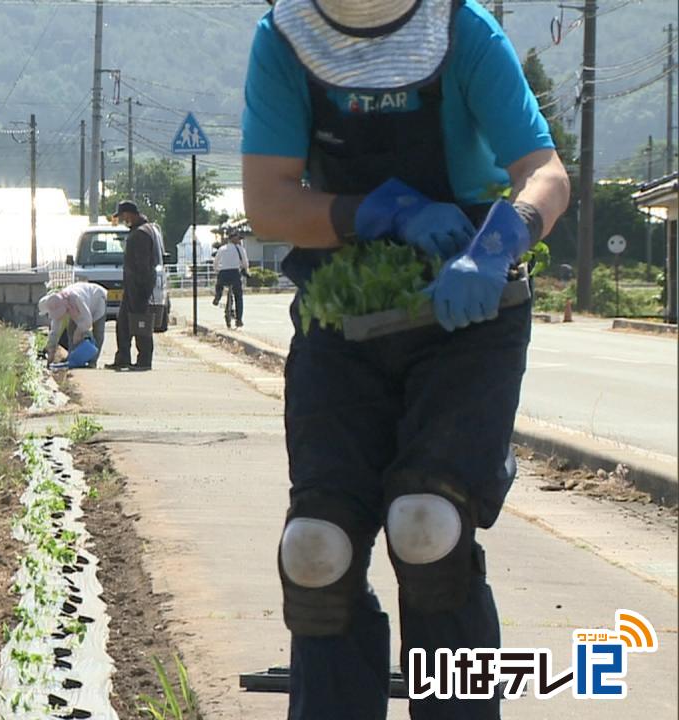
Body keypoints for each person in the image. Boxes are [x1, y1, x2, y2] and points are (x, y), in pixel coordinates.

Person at [240, 1, 570, 718]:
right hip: (343, 308)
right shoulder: (284, 40)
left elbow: (543, 169)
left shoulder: (462, 31)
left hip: (468, 313)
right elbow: (268, 203)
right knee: (317, 550)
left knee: (428, 528)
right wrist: (376, 212)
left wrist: (497, 243)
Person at [107, 200, 160, 371]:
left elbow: (142, 265)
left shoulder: (140, 234)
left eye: (123, 216)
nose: (123, 219)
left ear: (130, 214)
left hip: (138, 286)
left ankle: (144, 360)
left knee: (140, 322)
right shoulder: (146, 229)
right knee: (123, 323)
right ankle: (122, 358)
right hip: (133, 285)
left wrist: (141, 289)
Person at [38, 281, 108, 367]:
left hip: (97, 299)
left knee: (98, 333)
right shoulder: (58, 303)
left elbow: (87, 320)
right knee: (71, 330)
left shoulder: (76, 298)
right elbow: (55, 330)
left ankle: (92, 362)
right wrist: (51, 348)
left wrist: (78, 332)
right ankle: (73, 358)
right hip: (82, 308)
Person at [212, 231, 250, 327]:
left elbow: (215, 262)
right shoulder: (240, 249)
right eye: (238, 238)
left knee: (219, 285)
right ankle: (239, 320)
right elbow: (245, 263)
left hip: (223, 274)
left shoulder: (222, 248)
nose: (239, 240)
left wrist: (217, 271)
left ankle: (218, 296)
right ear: (233, 238)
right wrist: (245, 270)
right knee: (238, 296)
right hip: (234, 274)